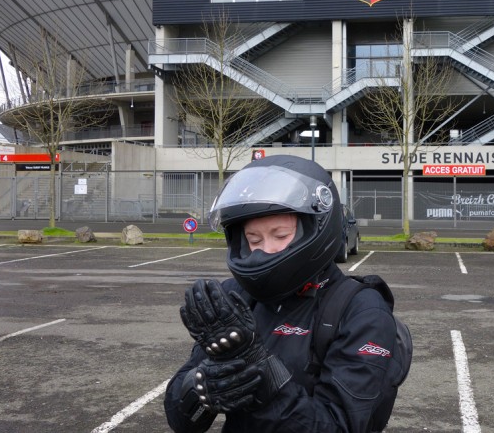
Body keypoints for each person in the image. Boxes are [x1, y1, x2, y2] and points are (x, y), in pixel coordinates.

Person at [164, 154, 398, 433]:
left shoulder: (361, 311)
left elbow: (340, 426)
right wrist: (202, 388)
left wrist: (261, 373)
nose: (265, 249)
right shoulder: (235, 299)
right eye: (254, 239)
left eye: (280, 234)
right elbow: (183, 422)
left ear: (316, 227)